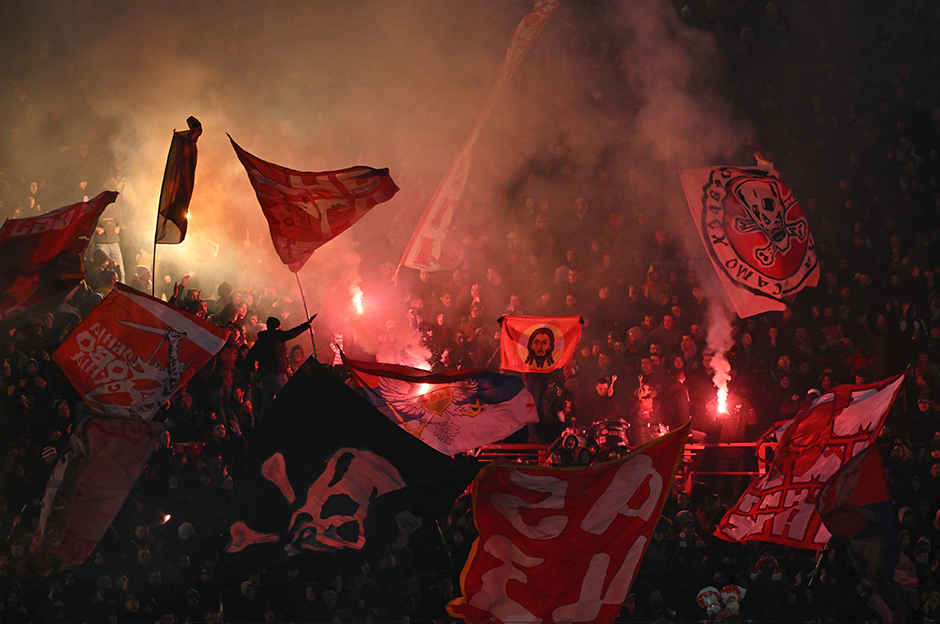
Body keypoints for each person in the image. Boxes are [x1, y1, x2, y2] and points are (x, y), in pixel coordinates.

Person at [244, 314, 316, 413]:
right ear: (278, 327)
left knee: (267, 406)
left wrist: (251, 371)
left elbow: (249, 356)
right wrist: (307, 325)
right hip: (278, 375)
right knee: (289, 401)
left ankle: (265, 426)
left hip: (265, 377)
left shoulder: (261, 341)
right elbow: (292, 333)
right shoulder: (278, 336)